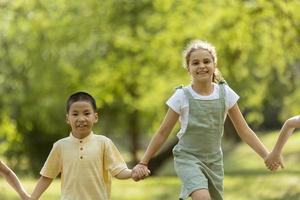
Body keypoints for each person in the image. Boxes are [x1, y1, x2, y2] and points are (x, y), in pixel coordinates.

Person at [132, 40, 271, 200]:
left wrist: (266, 155)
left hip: (214, 161)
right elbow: (163, 133)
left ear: (214, 64)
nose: (201, 66)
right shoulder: (182, 96)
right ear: (188, 69)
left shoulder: (225, 93)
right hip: (188, 158)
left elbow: (244, 130)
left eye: (206, 61)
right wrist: (143, 162)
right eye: (195, 63)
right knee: (203, 198)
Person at [31, 91, 138, 200]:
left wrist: (132, 173)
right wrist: (33, 198)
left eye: (86, 113)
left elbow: (118, 170)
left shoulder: (104, 143)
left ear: (95, 117)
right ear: (68, 118)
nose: (81, 119)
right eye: (75, 114)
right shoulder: (60, 146)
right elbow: (47, 176)